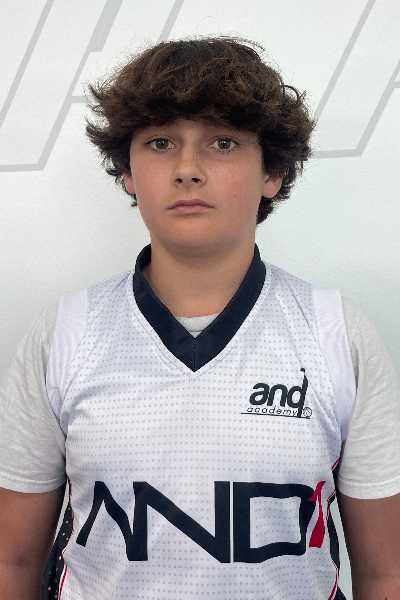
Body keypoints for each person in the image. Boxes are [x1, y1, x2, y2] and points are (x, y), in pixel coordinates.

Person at [0, 36, 400, 600]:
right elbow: (13, 559)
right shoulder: (65, 334)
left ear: (272, 172)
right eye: (160, 142)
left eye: (223, 143)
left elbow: (385, 573)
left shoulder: (337, 333)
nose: (187, 169)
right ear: (129, 172)